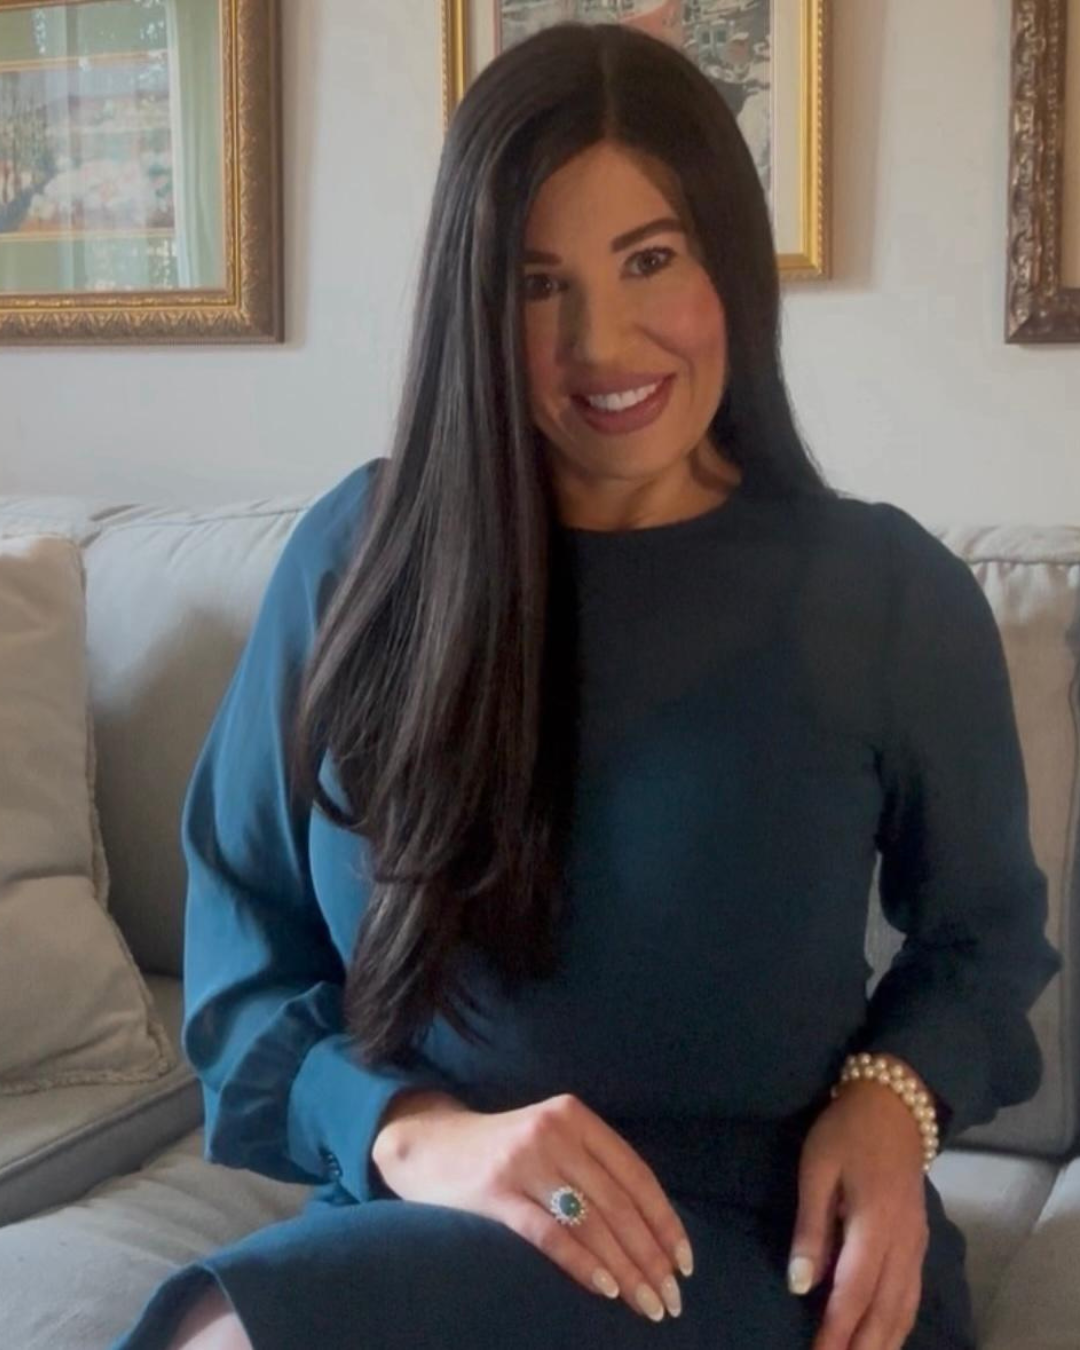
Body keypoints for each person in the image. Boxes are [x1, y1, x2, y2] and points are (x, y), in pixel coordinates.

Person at [110, 21, 1062, 1350]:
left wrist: (892, 1100)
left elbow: (985, 938)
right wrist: (410, 1130)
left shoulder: (883, 590)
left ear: (731, 262)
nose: (601, 342)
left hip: (760, 1242)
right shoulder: (356, 562)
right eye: (535, 282)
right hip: (427, 1221)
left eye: (650, 259)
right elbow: (240, 962)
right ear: (472, 306)